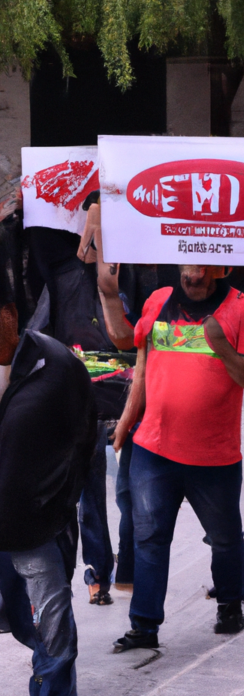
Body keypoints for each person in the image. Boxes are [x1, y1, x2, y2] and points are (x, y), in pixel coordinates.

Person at [112, 265, 244, 651]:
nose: (191, 276)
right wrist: (127, 420)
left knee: (225, 538)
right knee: (149, 538)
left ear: (222, 267)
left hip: (214, 455)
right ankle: (144, 626)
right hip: (153, 448)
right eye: (185, 267)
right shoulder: (158, 300)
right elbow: (136, 359)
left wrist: (222, 347)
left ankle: (230, 603)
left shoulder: (243, 310)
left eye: (200, 269)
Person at [0, 291, 97, 695]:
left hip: (35, 531)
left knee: (53, 636)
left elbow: (84, 436)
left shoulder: (55, 365)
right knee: (27, 623)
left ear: (10, 315)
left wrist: (57, 504)